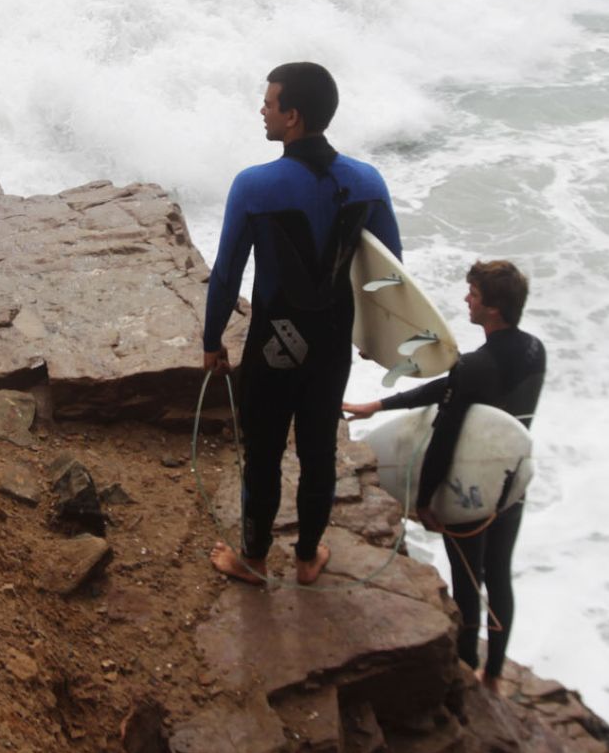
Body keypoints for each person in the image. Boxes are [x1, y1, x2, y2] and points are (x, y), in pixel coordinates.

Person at [204, 63, 400, 586]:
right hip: (332, 340)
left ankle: (254, 558)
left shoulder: (254, 185)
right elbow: (391, 274)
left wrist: (211, 340)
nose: (262, 110)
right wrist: (376, 340)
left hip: (274, 344)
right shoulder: (367, 181)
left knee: (264, 452)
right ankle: (309, 556)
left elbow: (226, 275)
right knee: (319, 450)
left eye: (269, 103)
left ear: (292, 117)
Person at [342, 261, 545, 688]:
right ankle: (493, 674)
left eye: (472, 294)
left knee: (468, 580)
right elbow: (454, 387)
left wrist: (425, 500)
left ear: (492, 310)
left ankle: (467, 663)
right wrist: (378, 405)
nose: (466, 300)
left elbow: (445, 436)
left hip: (468, 488)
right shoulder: (533, 351)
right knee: (499, 575)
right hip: (512, 481)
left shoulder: (474, 367)